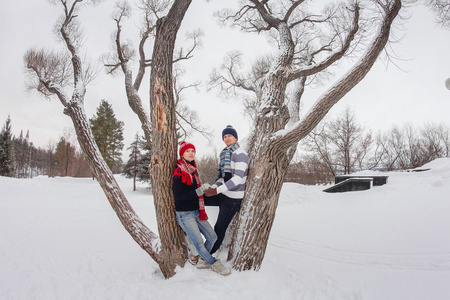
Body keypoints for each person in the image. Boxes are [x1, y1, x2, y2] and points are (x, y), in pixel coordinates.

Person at [173, 141, 231, 276]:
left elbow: (195, 192)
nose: (191, 153)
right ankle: (213, 263)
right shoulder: (179, 171)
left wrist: (204, 189)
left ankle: (202, 259)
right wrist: (198, 191)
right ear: (182, 154)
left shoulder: (194, 171)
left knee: (213, 236)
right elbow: (178, 196)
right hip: (184, 214)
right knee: (198, 242)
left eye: (193, 151)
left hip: (197, 211)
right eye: (187, 151)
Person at [203, 125, 249, 254]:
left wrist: (216, 191)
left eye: (229, 135)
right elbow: (223, 177)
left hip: (233, 198)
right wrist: (214, 188)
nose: (227, 138)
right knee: (196, 201)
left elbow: (238, 178)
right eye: (224, 136)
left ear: (235, 137)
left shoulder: (240, 154)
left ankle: (208, 255)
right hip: (224, 193)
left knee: (219, 227)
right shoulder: (224, 154)